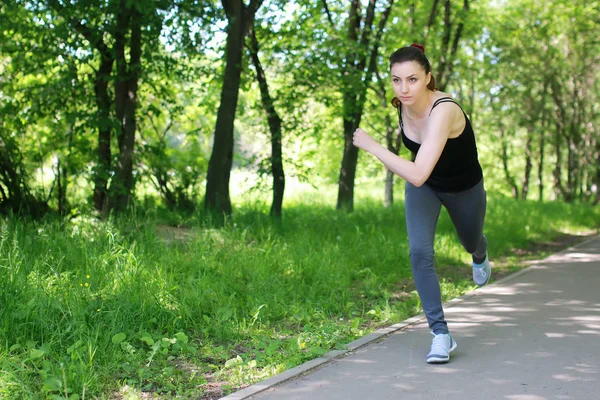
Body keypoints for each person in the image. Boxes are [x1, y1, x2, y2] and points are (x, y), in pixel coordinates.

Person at [352, 44, 491, 364]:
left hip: (464, 189)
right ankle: (441, 334)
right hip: (426, 188)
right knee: (419, 251)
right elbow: (419, 179)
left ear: (428, 77)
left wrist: (373, 146)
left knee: (470, 240)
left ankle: (480, 252)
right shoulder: (401, 105)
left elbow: (416, 172)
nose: (403, 88)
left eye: (412, 79)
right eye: (396, 80)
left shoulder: (444, 109)